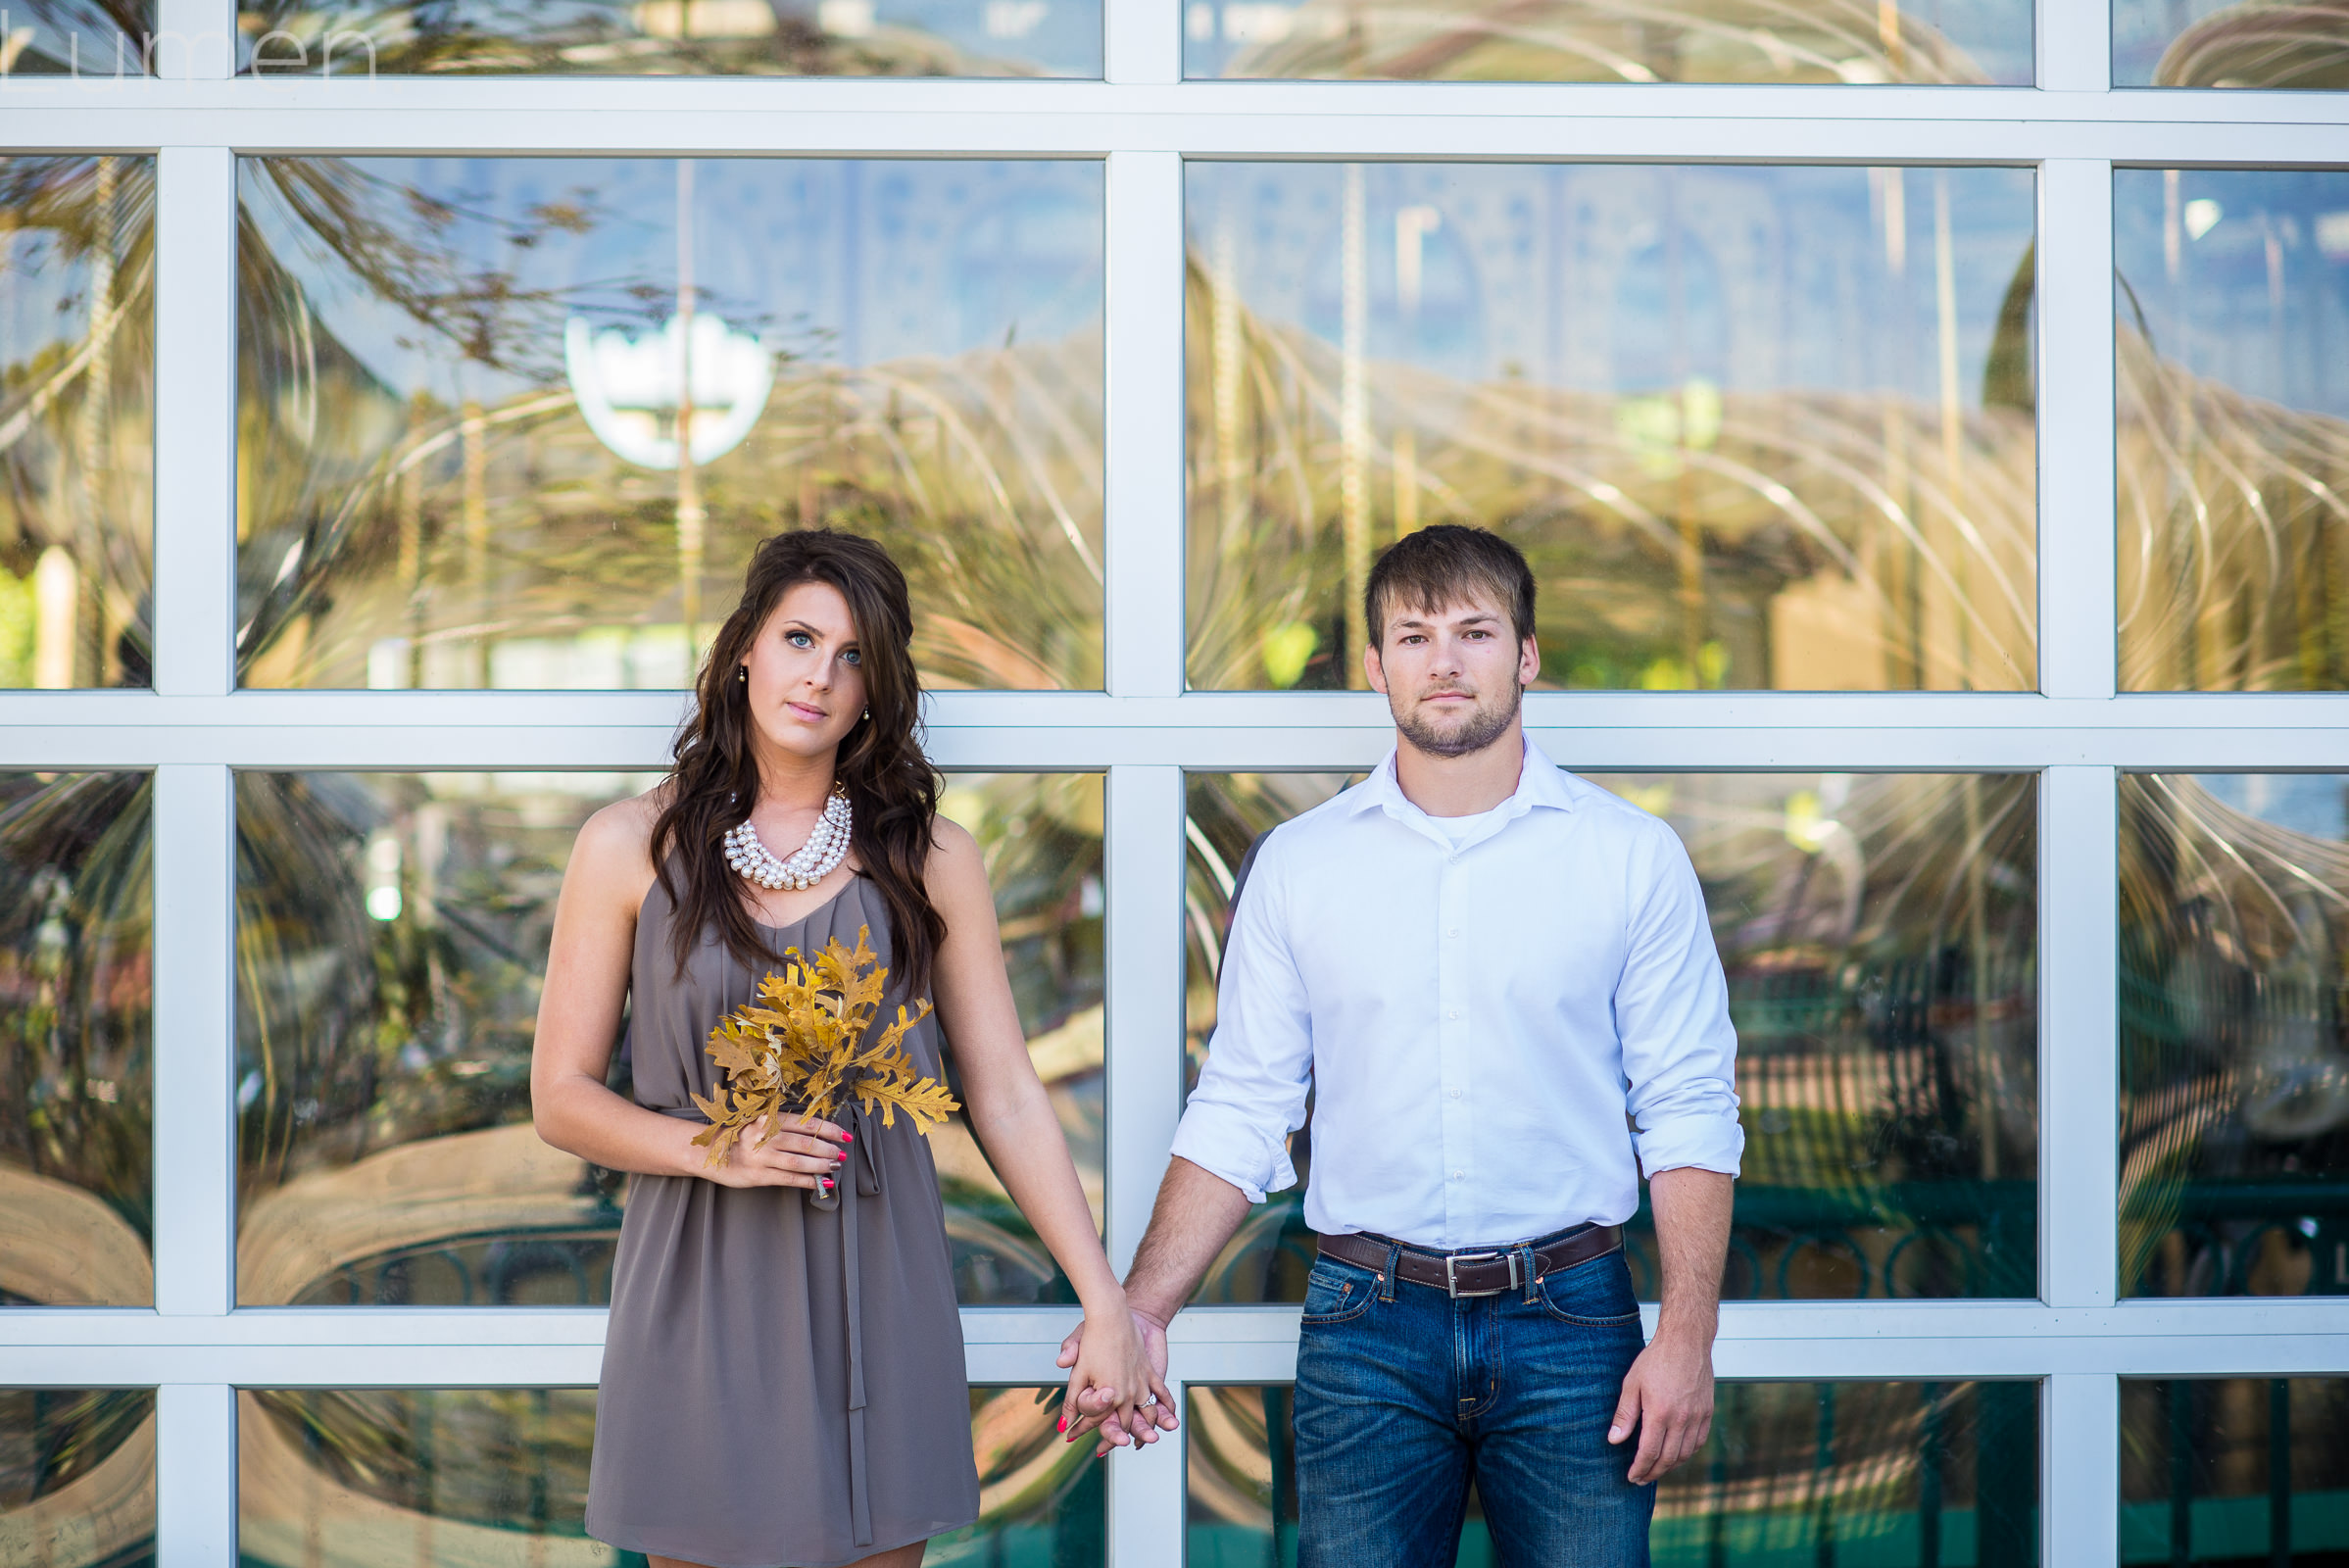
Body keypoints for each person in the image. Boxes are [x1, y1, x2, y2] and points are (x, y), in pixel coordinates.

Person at [1061, 524, 1742, 1566]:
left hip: (1573, 1325)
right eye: (1415, 636)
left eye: (1476, 631)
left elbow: (1688, 1108)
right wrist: (1142, 1313)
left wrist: (1687, 1334)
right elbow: (1245, 1107)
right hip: (1365, 1329)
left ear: (1527, 654)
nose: (1446, 660)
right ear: (1377, 666)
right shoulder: (1300, 865)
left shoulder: (1631, 859)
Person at [533, 530, 1153, 1568]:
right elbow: (558, 1096)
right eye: (800, 638)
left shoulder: (932, 857)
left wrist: (1105, 1300)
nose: (820, 675)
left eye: (853, 656)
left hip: (880, 1280)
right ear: (745, 649)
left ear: (878, 690)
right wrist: (712, 1148)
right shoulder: (624, 846)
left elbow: (1001, 1091)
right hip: (698, 1293)